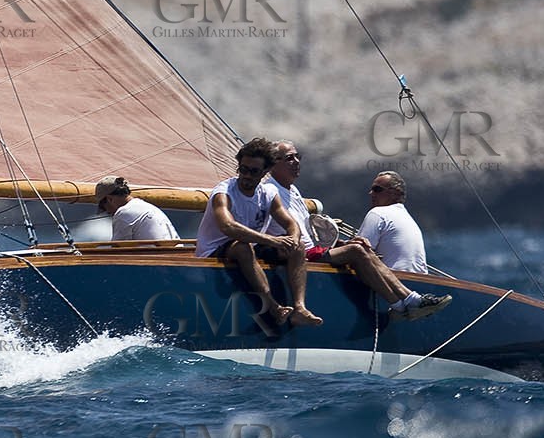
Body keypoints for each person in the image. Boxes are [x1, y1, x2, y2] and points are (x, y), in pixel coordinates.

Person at [265, 143, 449, 321]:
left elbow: (307, 234)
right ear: (273, 162)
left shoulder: (293, 191)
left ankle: (408, 300)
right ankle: (403, 305)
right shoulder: (269, 190)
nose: (297, 161)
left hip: (312, 251)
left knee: (361, 248)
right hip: (298, 253)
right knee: (357, 251)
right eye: (290, 158)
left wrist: (341, 244)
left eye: (298, 157)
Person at [194, 137, 322, 329]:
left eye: (253, 171)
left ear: (264, 172)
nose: (246, 175)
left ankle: (300, 309)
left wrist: (293, 239)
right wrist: (272, 241)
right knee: (243, 248)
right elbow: (229, 227)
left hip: (250, 246)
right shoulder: (224, 192)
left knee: (298, 247)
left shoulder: (268, 193)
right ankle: (273, 306)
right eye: (243, 169)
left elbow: (290, 223)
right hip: (215, 250)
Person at [359, 170, 429, 274]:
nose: (371, 193)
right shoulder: (409, 219)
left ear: (394, 193)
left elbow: (359, 251)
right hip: (419, 281)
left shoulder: (378, 213)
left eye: (377, 189)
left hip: (392, 280)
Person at [95, 176, 179, 240]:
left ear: (110, 199)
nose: (107, 211)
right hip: (177, 257)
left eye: (103, 206)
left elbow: (116, 249)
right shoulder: (148, 207)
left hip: (155, 259)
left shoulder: (124, 212)